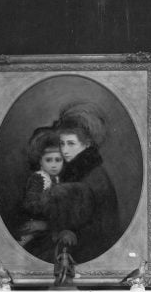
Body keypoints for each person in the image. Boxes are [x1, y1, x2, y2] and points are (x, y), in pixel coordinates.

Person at [29, 103, 121, 265]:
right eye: (62, 143)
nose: (64, 150)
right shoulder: (80, 170)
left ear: (88, 144)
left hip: (91, 251)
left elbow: (86, 227)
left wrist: (47, 227)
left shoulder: (89, 178)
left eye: (71, 144)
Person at [16, 129, 64, 259]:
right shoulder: (39, 178)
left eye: (58, 160)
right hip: (36, 223)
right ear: (40, 161)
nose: (54, 165)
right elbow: (30, 204)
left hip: (51, 225)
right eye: (49, 160)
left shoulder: (59, 179)